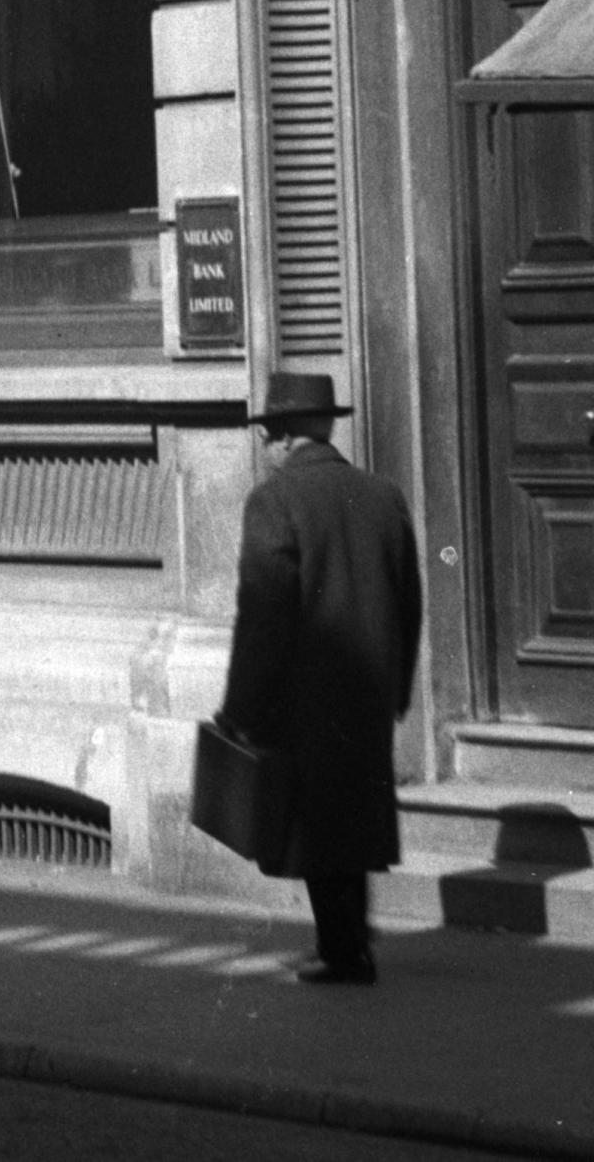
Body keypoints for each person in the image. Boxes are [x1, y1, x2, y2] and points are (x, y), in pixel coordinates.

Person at [219, 371, 423, 985]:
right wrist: (398, 688)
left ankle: (344, 952)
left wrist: (240, 708)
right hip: (365, 694)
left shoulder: (274, 501)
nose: (266, 450)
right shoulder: (383, 495)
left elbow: (262, 612)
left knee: (312, 827)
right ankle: (346, 945)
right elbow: (409, 601)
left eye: (267, 436)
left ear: (283, 437)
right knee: (350, 822)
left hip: (301, 699)